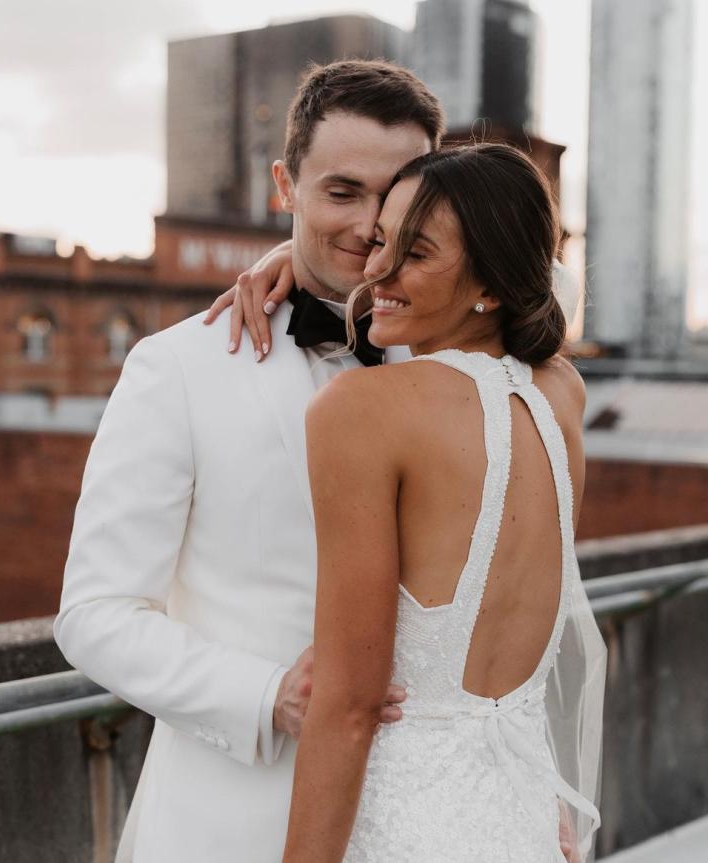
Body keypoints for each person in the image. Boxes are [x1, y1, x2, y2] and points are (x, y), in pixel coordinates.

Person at [53, 60, 444, 863]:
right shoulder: (178, 368)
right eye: (342, 192)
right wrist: (270, 696)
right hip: (229, 823)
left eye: (396, 193)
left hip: (426, 815)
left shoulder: (459, 364)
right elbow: (94, 614)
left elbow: (546, 282)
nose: (373, 225)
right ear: (284, 186)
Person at [238, 144, 606, 862]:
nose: (377, 268)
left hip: (406, 829)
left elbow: (348, 705)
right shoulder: (561, 392)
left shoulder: (364, 409)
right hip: (523, 820)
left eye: (415, 252)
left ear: (490, 286)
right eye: (381, 241)